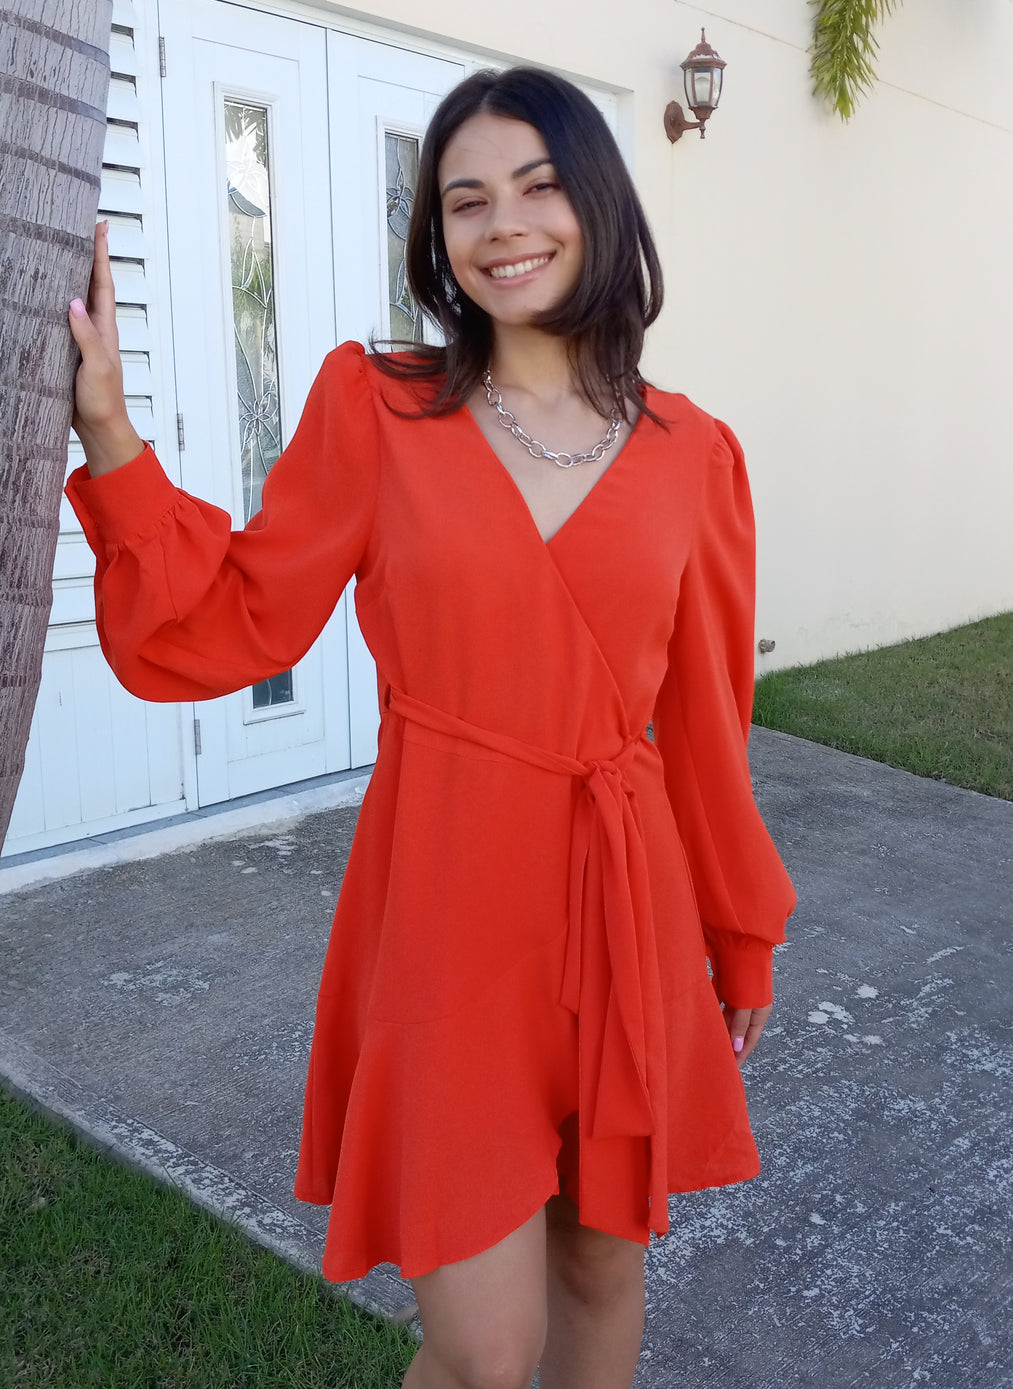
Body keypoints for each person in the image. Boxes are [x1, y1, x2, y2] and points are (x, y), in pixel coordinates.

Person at [67, 67, 795, 1389]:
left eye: (536, 185)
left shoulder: (699, 454)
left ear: (601, 206)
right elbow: (233, 615)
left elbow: (703, 724)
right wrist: (111, 431)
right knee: (483, 1349)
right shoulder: (381, 406)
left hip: (623, 900)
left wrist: (737, 931)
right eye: (465, 201)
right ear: (439, 239)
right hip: (450, 901)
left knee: (600, 1266)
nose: (502, 223)